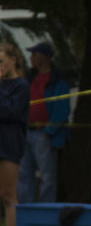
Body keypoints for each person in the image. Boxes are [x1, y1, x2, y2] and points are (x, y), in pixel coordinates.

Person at [17, 42, 69, 204]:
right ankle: (26, 210)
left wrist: (49, 131)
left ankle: (46, 210)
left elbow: (61, 110)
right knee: (24, 174)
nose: (31, 58)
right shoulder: (28, 77)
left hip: (44, 133)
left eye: (35, 55)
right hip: (25, 131)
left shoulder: (57, 80)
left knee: (47, 176)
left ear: (45, 57)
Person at [0, 43, 29, 226]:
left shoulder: (21, 86)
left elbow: (10, 112)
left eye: (0, 61)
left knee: (9, 195)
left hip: (9, 145)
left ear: (12, 60)